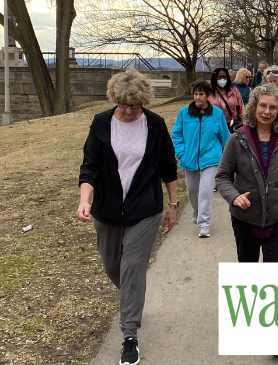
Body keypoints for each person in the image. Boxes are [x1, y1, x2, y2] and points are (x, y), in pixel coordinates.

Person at [77, 68, 178, 365]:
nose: (129, 110)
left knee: (133, 266)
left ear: (144, 101)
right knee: (113, 267)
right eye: (123, 104)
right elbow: (90, 167)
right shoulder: (101, 123)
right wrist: (85, 200)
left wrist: (173, 205)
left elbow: (168, 167)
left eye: (135, 105)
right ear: (114, 99)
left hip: (145, 210)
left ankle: (129, 335)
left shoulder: (156, 125)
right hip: (107, 209)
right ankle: (133, 298)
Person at [216, 84, 278, 262]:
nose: (267, 111)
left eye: (272, 107)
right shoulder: (237, 139)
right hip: (245, 217)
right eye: (263, 106)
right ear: (254, 107)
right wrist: (234, 197)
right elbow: (222, 176)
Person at [171, 79, 230, 238]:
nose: (197, 97)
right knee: (193, 189)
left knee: (205, 190)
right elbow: (176, 134)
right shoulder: (184, 112)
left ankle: (204, 223)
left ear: (207, 95)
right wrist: (181, 152)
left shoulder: (217, 113)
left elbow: (225, 137)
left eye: (201, 94)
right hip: (188, 158)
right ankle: (197, 211)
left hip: (211, 157)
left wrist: (229, 157)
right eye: (195, 94)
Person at [207, 67, 245, 134]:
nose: (222, 79)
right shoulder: (209, 92)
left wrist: (245, 123)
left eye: (224, 77)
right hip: (214, 126)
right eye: (219, 77)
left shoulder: (234, 91)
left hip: (232, 126)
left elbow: (241, 109)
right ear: (215, 78)